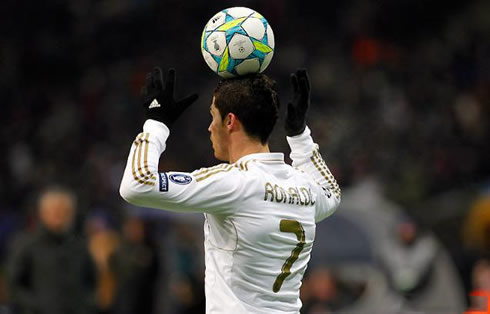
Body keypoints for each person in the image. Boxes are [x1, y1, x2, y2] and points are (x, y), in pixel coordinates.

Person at [119, 67, 341, 313]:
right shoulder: (304, 189)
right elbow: (331, 193)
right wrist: (300, 136)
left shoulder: (234, 183)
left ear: (230, 121)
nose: (209, 128)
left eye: (213, 116)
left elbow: (137, 184)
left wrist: (156, 124)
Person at [6, 186, 96, 314]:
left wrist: (85, 305)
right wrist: (34, 306)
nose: (59, 215)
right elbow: (14, 284)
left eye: (65, 211)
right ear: (43, 212)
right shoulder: (27, 244)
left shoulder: (80, 246)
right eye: (55, 210)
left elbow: (91, 282)